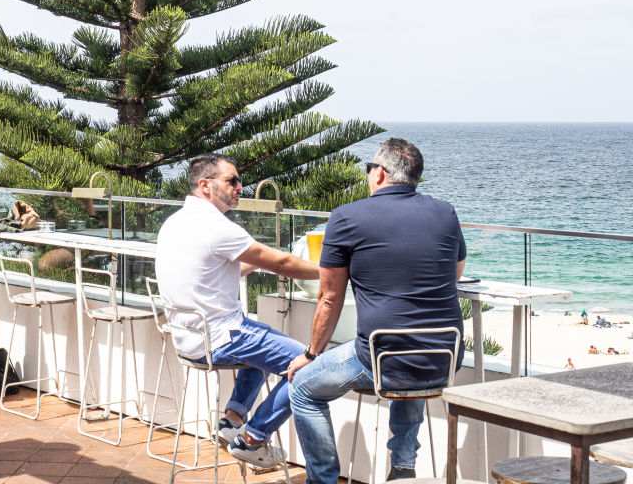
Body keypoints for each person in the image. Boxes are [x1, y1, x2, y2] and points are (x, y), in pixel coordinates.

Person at [288, 138, 466, 484]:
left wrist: (311, 354)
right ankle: (402, 469)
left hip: (382, 358)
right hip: (445, 356)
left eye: (370, 168)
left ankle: (322, 480)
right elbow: (455, 272)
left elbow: (329, 297)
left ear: (380, 174)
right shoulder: (445, 211)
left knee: (302, 389)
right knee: (409, 359)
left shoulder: (345, 217)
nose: (369, 174)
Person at [156, 153, 320, 470]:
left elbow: (207, 269)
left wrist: (258, 266)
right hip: (219, 338)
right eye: (232, 180)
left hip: (187, 339)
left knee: (262, 342)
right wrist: (330, 270)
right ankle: (252, 439)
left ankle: (232, 420)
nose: (239, 187)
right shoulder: (216, 226)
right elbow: (283, 263)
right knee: (306, 364)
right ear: (205, 185)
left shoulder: (175, 222)